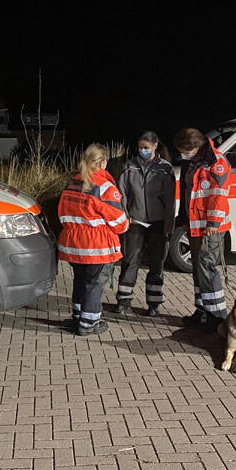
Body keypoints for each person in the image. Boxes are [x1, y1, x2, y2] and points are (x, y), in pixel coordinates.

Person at [58, 144, 129, 336]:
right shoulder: (105, 187)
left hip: (73, 244)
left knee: (80, 282)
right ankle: (89, 324)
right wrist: (125, 224)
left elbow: (63, 213)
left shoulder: (72, 182)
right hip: (96, 246)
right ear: (104, 162)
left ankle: (78, 317)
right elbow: (118, 221)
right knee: (94, 285)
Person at [173, 128, 232, 331]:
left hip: (210, 228)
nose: (182, 154)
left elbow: (218, 196)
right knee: (198, 271)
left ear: (196, 147)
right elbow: (187, 191)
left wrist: (213, 224)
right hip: (194, 225)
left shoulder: (217, 164)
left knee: (207, 269)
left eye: (184, 150)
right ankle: (202, 311)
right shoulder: (193, 162)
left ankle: (216, 317)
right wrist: (182, 218)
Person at [114, 131, 176, 316]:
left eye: (146, 148)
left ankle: (154, 304)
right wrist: (126, 216)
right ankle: (124, 301)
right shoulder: (129, 166)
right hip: (135, 221)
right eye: (140, 147)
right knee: (130, 261)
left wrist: (169, 225)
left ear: (155, 146)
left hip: (158, 223)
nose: (143, 151)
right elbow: (122, 193)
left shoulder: (165, 168)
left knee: (157, 264)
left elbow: (170, 200)